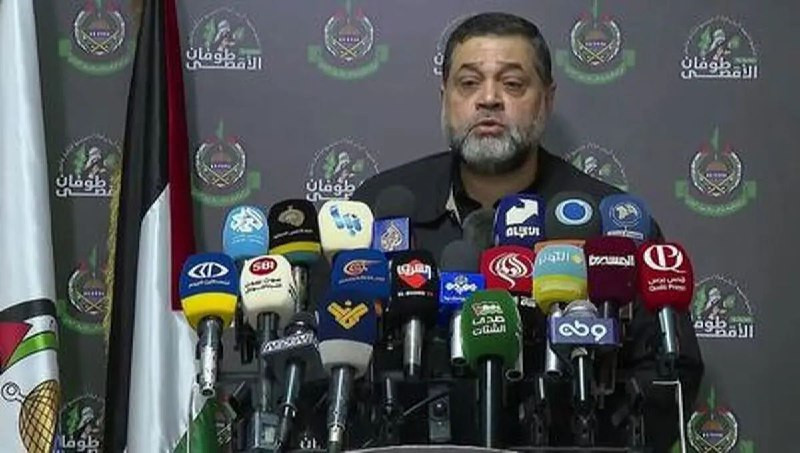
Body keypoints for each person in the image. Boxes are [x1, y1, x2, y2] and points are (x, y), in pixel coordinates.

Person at [348, 12, 704, 450]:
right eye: (468, 83)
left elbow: (668, 381)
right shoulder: (378, 209)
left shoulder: (614, 223)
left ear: (547, 100)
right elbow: (324, 362)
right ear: (445, 98)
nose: (489, 99)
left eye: (513, 84)